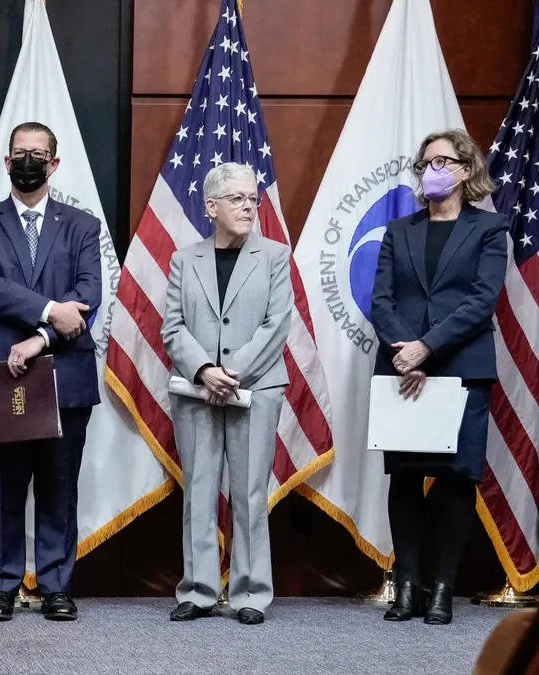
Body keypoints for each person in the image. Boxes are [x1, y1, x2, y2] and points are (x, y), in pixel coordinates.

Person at [0, 122, 101, 623]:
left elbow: (88, 297)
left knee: (60, 483)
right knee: (4, 484)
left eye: (38, 153)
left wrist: (41, 336)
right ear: (7, 161)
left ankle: (57, 586)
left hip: (64, 368)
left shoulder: (83, 226)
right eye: (21, 153)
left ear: (55, 164)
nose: (29, 160)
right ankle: (1, 586)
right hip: (0, 369)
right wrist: (48, 309)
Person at [370, 129, 509, 625]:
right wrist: (408, 351)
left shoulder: (490, 230)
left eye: (442, 161)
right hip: (402, 366)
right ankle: (407, 586)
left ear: (465, 170)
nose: (432, 170)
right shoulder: (399, 230)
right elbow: (380, 301)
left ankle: (442, 590)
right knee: (405, 477)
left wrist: (428, 347)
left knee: (455, 479)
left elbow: (481, 300)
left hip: (461, 367)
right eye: (425, 163)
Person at [160, 162, 292, 626]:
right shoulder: (184, 258)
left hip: (255, 388)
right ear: (211, 206)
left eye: (252, 198)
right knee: (197, 489)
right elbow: (172, 328)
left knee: (250, 492)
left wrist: (229, 373)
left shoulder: (275, 255)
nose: (248, 206)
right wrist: (203, 371)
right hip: (196, 390)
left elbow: (277, 326)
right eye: (236, 198)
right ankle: (198, 590)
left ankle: (251, 593)